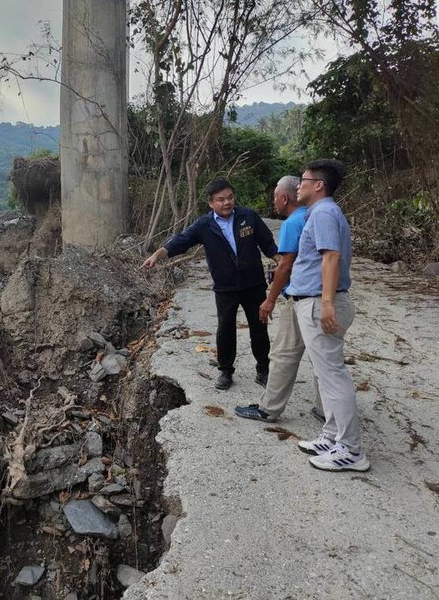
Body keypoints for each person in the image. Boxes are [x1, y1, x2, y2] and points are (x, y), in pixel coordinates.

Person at [141, 178, 278, 390]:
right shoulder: (204, 225)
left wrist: (283, 263)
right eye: (221, 200)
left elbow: (267, 243)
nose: (227, 203)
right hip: (226, 287)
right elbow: (181, 241)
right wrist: (158, 255)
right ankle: (225, 371)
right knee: (225, 329)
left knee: (259, 328)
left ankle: (263, 368)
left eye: (230, 197)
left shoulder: (248, 217)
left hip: (254, 284)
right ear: (211, 203)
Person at [287, 159, 369, 472]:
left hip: (320, 303)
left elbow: (331, 257)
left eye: (303, 179)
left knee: (333, 375)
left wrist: (326, 303)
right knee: (325, 373)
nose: (299, 184)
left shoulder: (322, 212)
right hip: (316, 301)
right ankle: (333, 435)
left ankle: (350, 450)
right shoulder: (322, 212)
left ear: (318, 184)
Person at [234, 176, 324, 422]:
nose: (274, 201)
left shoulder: (293, 222)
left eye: (275, 196)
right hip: (323, 295)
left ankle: (269, 408)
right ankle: (326, 409)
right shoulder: (317, 214)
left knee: (283, 354)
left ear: (284, 198)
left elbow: (285, 265)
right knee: (322, 359)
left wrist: (270, 299)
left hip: (303, 298)